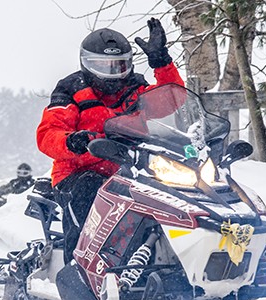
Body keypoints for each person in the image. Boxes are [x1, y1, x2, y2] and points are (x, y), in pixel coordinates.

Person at [36, 18, 184, 263]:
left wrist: (161, 61)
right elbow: (48, 133)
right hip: (80, 172)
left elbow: (172, 99)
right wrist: (72, 141)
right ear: (86, 64)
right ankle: (78, 268)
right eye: (104, 67)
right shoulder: (70, 90)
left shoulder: (135, 88)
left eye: (119, 65)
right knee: (89, 193)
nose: (113, 74)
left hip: (134, 168)